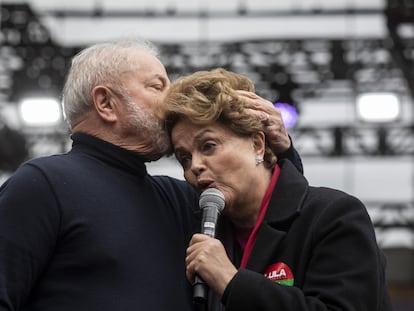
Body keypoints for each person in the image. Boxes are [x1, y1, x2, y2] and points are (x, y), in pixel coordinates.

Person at [0, 40, 302, 310]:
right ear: (106, 103)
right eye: (157, 86)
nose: (171, 101)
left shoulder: (183, 198)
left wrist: (282, 150)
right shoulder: (42, 184)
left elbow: (280, 222)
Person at [161, 68, 392, 311]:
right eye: (184, 158)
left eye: (208, 146)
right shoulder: (197, 230)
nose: (194, 166)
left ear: (257, 144)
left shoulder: (334, 216)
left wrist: (232, 282)